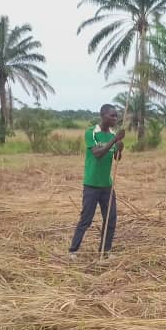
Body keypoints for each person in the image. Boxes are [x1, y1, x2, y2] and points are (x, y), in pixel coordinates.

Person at [68, 104, 125, 260]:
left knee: (111, 219)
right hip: (92, 184)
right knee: (86, 219)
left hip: (107, 185)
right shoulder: (91, 133)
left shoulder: (112, 134)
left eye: (116, 116)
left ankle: (105, 252)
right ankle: (73, 251)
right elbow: (97, 154)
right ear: (103, 115)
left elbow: (116, 158)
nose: (115, 119)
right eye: (112, 116)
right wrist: (114, 140)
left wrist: (120, 149)